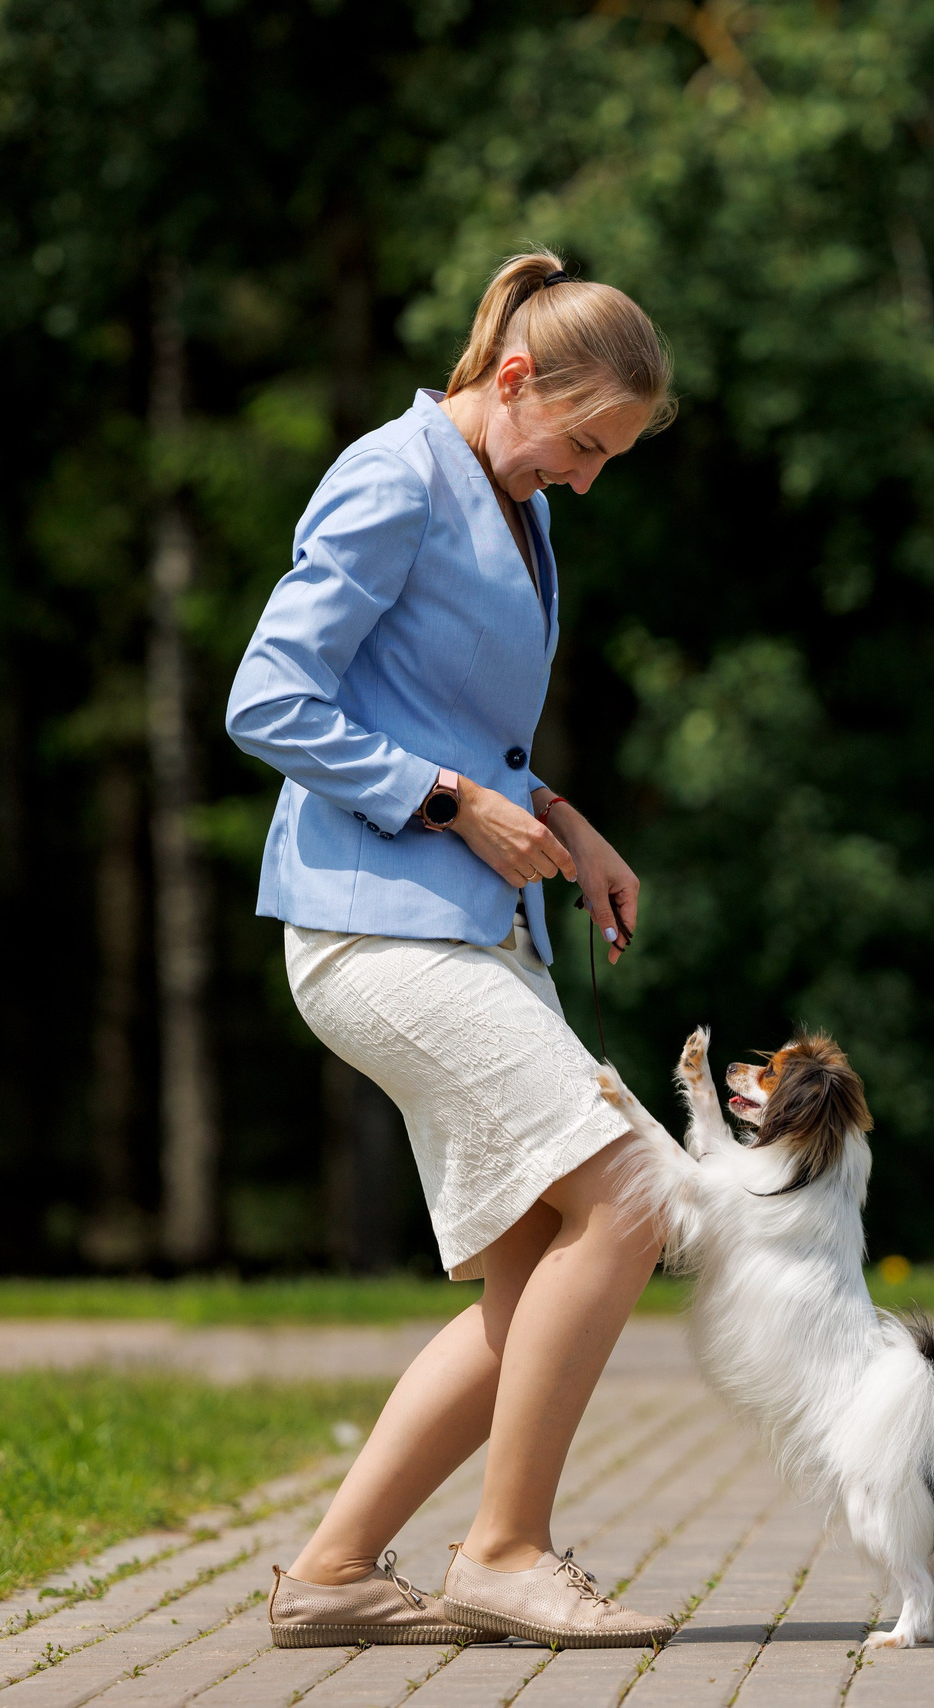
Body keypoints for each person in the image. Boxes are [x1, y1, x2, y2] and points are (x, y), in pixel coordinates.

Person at [224, 251, 679, 1650]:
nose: (591, 478)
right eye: (587, 441)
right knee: (636, 1190)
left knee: (539, 1263)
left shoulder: (517, 499)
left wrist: (554, 811)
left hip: (474, 925)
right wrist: (452, 802)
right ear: (519, 376)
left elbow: (448, 718)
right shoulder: (395, 473)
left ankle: (335, 1575)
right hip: (375, 924)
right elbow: (268, 698)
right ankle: (507, 1549)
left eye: (614, 460)